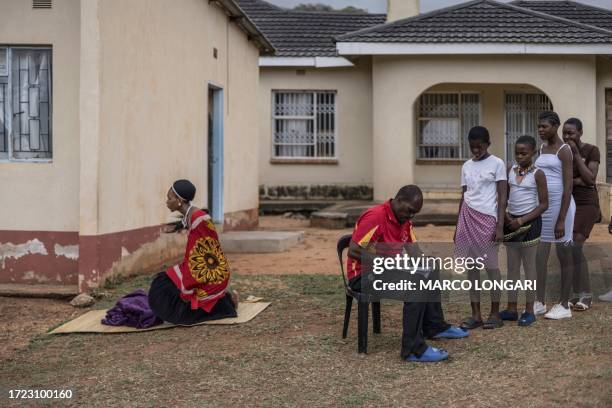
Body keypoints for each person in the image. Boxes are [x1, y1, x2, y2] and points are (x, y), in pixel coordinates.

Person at [347, 185, 468, 363]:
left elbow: (414, 252)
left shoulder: (404, 221)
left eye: (415, 213)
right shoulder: (376, 216)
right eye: (410, 210)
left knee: (430, 268)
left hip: (386, 271)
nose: (411, 216)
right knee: (416, 285)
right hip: (363, 276)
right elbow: (353, 251)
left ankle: (435, 326)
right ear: (399, 200)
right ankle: (413, 349)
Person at [148, 179, 238, 325]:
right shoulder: (192, 215)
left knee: (163, 287)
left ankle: (226, 302)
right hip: (202, 265)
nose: (166, 202)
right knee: (164, 284)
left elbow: (203, 252)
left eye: (169, 198)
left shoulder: (199, 218)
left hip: (206, 270)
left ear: (179, 200)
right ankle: (224, 301)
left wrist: (189, 285)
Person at [455, 126, 507, 330]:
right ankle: (476, 315)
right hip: (467, 219)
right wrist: (457, 225)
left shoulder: (497, 164)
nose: (476, 150)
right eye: (472, 146)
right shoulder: (466, 166)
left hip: (487, 220)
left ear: (488, 144)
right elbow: (464, 195)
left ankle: (495, 313)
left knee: (491, 268)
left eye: (480, 146)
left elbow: (502, 197)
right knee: (472, 269)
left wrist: (500, 225)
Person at [499, 135, 548, 326]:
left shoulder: (538, 174)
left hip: (530, 224)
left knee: (529, 269)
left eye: (524, 153)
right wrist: (507, 216)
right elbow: (505, 198)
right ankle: (511, 308)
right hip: (511, 224)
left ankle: (529, 310)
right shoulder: (510, 170)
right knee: (512, 269)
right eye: (517, 153)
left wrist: (522, 219)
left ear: (533, 153)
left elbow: (544, 204)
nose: (519, 156)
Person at [534, 111, 576, 320]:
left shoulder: (564, 150)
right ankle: (539, 302)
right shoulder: (541, 148)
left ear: (556, 126)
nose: (541, 130)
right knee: (540, 255)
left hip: (562, 207)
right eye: (539, 126)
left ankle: (564, 304)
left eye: (544, 126)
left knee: (563, 255)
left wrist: (561, 218)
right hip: (545, 208)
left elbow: (568, 187)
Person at [562, 117, 601, 311]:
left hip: (587, 203)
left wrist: (576, 154)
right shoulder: (561, 152)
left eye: (571, 133)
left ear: (580, 133)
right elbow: (563, 179)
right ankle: (574, 294)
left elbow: (590, 179)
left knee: (576, 244)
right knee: (567, 248)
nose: (567, 136)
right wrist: (577, 180)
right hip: (568, 203)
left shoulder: (591, 150)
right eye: (565, 133)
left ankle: (586, 295)